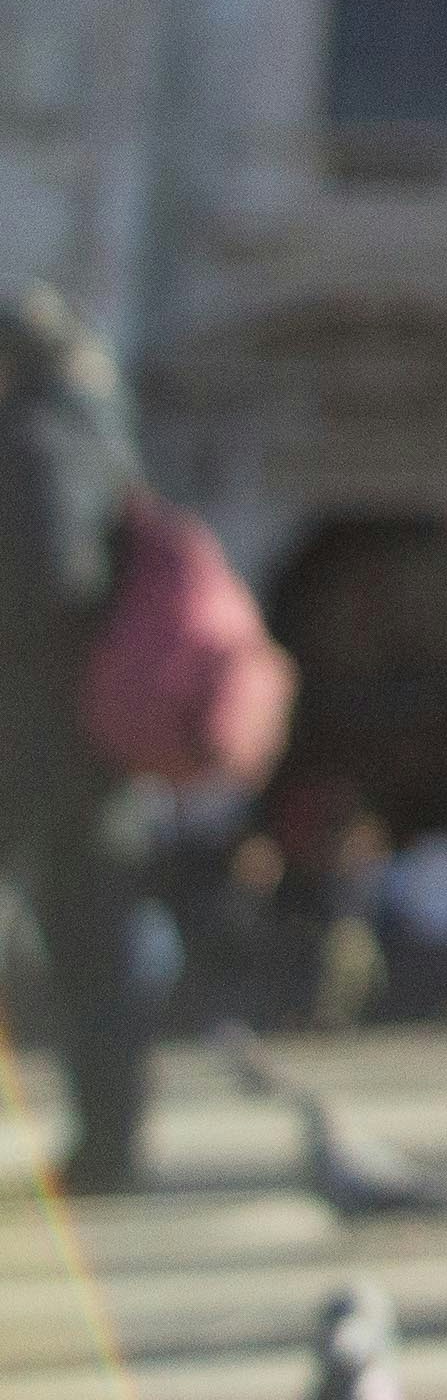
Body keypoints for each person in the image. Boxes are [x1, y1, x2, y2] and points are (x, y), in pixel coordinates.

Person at [2, 284, 154, 1193]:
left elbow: (52, 579)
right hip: (97, 741)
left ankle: (108, 1139)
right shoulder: (101, 431)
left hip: (40, 736)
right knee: (96, 941)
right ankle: (112, 1137)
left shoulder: (35, 438)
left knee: (88, 942)